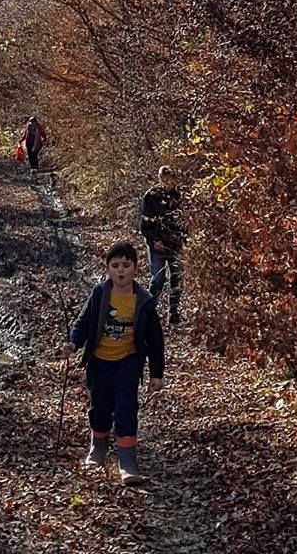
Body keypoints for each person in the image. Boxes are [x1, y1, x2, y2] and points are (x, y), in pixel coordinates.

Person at [62, 241, 164, 485]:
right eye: (115, 265)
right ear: (107, 268)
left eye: (126, 265)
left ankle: (127, 461)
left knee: (126, 407)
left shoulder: (144, 301)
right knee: (99, 405)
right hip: (99, 361)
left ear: (136, 269)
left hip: (128, 361)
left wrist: (156, 373)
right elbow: (83, 322)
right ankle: (98, 448)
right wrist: (73, 343)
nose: (121, 271)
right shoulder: (99, 294)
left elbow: (155, 340)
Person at [139, 165, 186, 326]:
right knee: (158, 278)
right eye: (164, 178)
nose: (167, 181)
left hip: (176, 243)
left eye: (170, 177)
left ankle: (173, 314)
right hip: (157, 245)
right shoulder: (151, 196)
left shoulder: (181, 195)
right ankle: (149, 311)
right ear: (159, 178)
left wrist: (185, 239)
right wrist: (155, 240)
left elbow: (187, 221)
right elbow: (145, 223)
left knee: (177, 278)